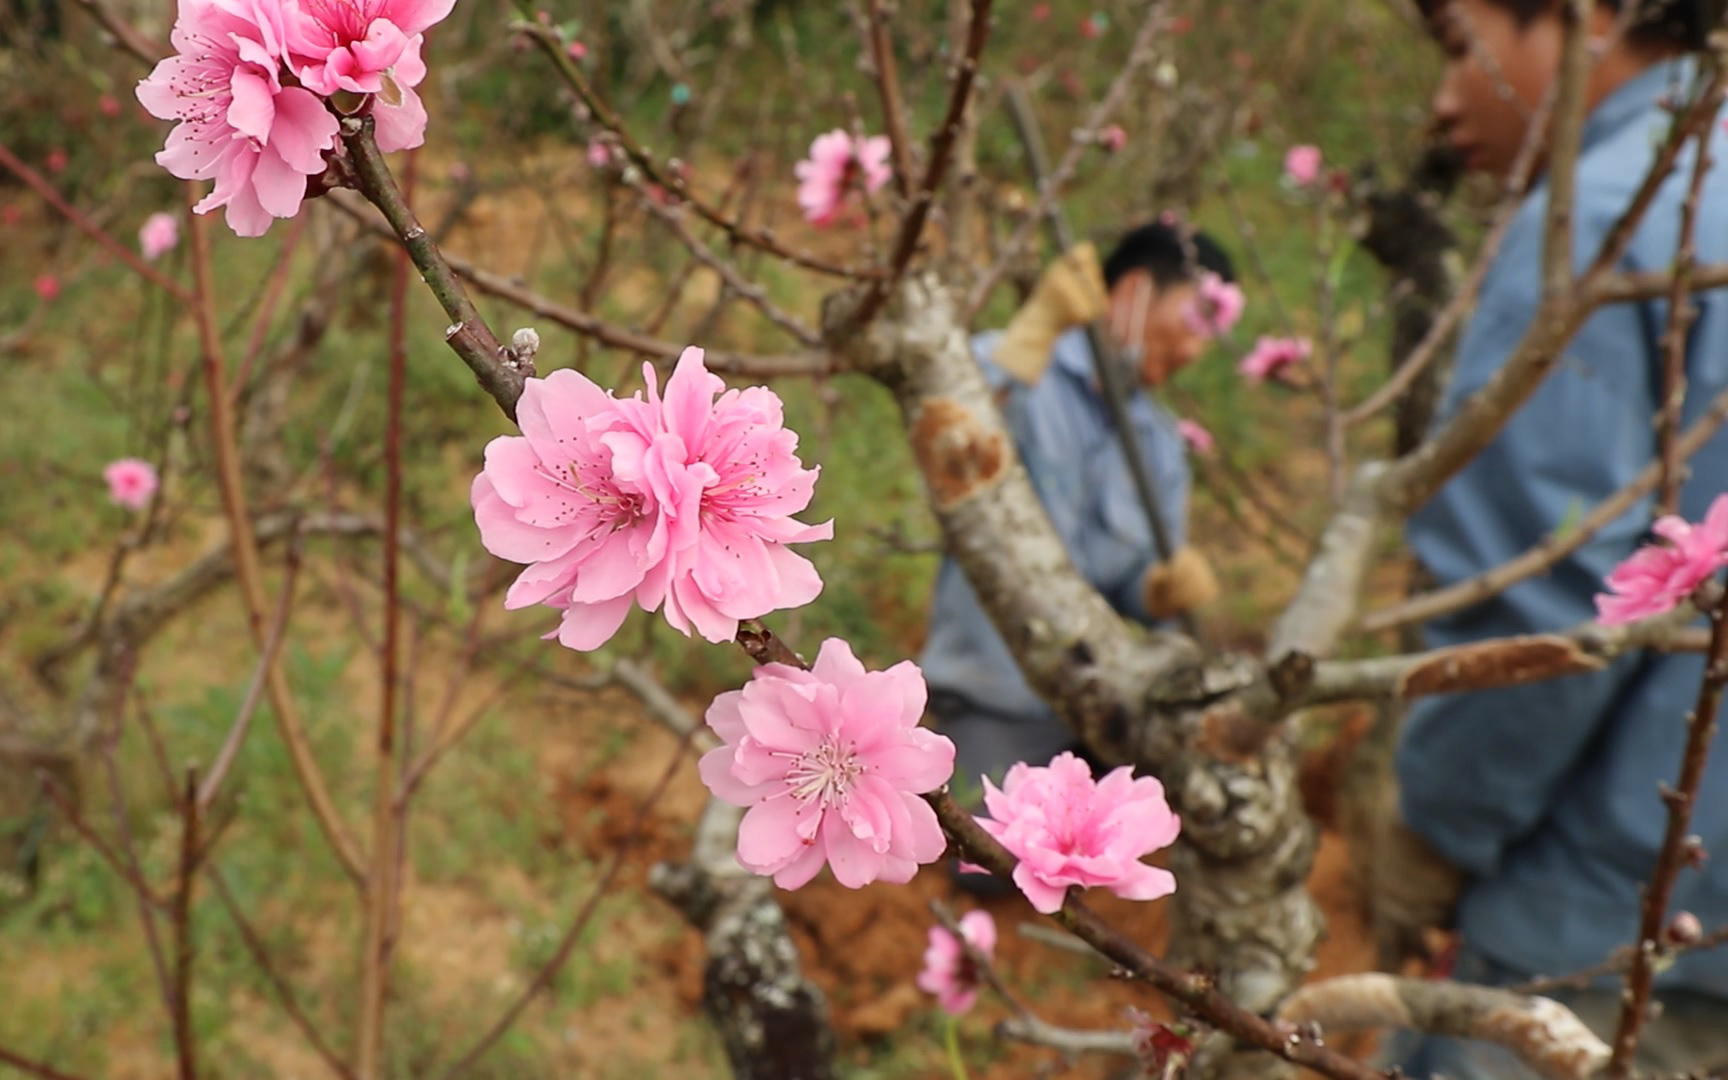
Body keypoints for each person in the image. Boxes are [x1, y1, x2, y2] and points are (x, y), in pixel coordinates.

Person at [1387, 1, 1728, 1075]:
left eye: (1459, 43)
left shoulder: (1604, 222)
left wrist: (1435, 828)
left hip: (1598, 920)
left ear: (1594, 16)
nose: (1445, 102)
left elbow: (1555, 585)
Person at [920, 221, 1234, 804]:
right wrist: (1034, 332)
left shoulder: (1161, 446)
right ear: (1134, 291)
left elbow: (1129, 586)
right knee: (996, 861)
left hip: (1099, 701)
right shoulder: (1016, 366)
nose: (1195, 349)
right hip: (996, 695)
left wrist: (1156, 590)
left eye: (1211, 333)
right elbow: (948, 426)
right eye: (1193, 320)